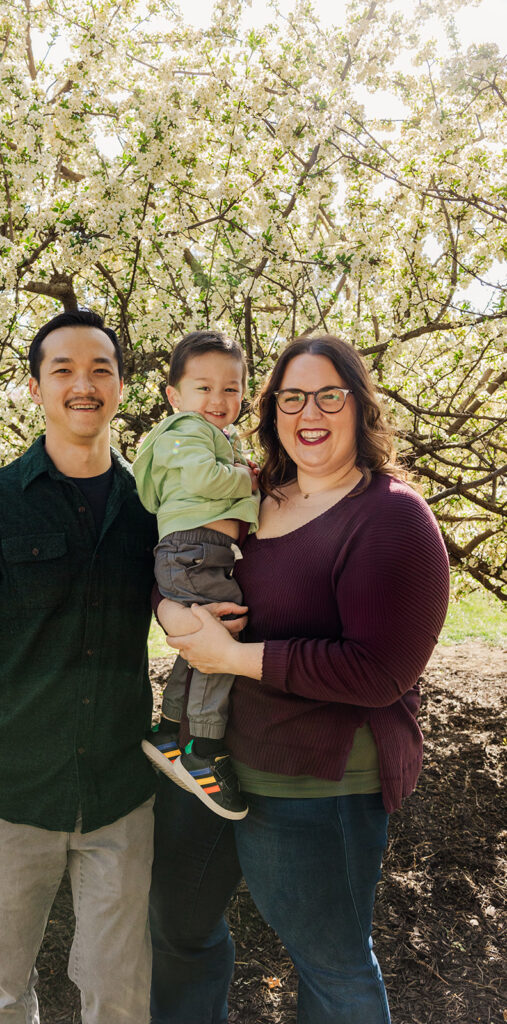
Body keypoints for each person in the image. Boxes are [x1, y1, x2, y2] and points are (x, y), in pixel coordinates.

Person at [149, 333, 450, 1024]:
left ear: (358, 406)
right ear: (271, 410)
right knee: (177, 928)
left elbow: (378, 672)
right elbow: (184, 557)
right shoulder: (254, 494)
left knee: (330, 967)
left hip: (316, 784)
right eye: (290, 396)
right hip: (213, 763)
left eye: (326, 394)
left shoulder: (390, 517)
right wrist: (166, 606)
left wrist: (235, 659)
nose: (307, 410)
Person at [0, 309, 158, 1024]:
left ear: (120, 386)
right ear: (34, 388)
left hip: (121, 792)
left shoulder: (154, 507)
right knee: (1, 987)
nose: (83, 385)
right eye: (63, 370)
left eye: (100, 370)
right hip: (14, 791)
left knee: (118, 992)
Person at [133, 331, 260, 819]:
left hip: (197, 551)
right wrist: (247, 478)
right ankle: (202, 751)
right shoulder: (187, 430)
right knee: (219, 644)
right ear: (175, 396)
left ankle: (169, 729)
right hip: (196, 550)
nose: (218, 399)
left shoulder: (202, 435)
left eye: (231, 388)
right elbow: (207, 479)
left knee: (202, 641)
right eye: (203, 387)